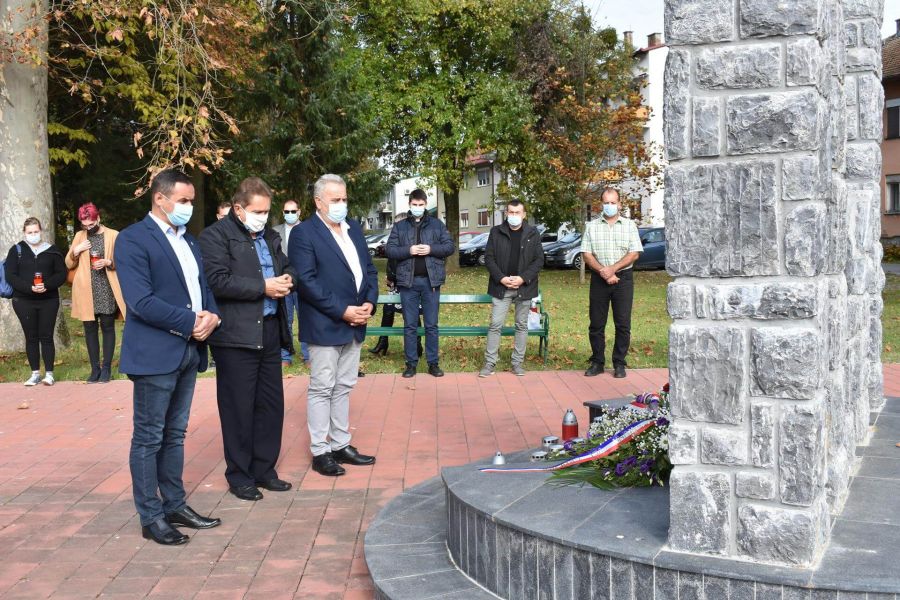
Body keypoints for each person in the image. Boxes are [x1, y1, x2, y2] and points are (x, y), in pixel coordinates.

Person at [115, 168, 222, 545]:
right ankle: (151, 516)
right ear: (160, 199)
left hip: (189, 351)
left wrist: (212, 316)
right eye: (183, 201)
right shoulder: (132, 240)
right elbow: (140, 302)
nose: (189, 207)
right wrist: (190, 321)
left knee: (175, 435)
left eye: (191, 201)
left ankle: (175, 504)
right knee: (149, 437)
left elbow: (201, 287)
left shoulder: (189, 242)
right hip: (155, 354)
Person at [199, 178, 295, 501]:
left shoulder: (270, 235)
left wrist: (287, 279)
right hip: (235, 335)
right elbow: (219, 281)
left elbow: (285, 265)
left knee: (270, 405)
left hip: (269, 329)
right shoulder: (215, 236)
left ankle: (264, 470)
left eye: (267, 211)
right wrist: (263, 287)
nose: (264, 217)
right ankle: (239, 475)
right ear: (238, 209)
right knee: (238, 407)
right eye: (258, 211)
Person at [289, 174, 378, 477]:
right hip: (326, 323)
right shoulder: (304, 233)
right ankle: (320, 451)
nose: (342, 204)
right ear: (318, 202)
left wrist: (369, 303)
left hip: (356, 321)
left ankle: (341, 443)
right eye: (335, 200)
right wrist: (343, 311)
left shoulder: (353, 229)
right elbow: (307, 282)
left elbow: (369, 271)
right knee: (322, 387)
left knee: (344, 386)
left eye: (344, 199)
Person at [384, 189, 454, 378]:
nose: (417, 208)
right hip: (408, 283)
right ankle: (411, 364)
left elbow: (449, 247)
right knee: (410, 325)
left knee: (431, 325)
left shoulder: (437, 225)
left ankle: (433, 363)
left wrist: (431, 249)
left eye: (420, 205)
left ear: (425, 204)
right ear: (409, 205)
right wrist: (410, 250)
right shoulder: (400, 227)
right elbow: (390, 250)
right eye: (414, 205)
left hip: (431, 282)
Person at [581, 187, 643, 379]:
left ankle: (619, 363)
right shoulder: (591, 226)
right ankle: (598, 362)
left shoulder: (629, 225)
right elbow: (586, 253)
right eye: (606, 203)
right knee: (596, 324)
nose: (609, 206)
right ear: (601, 204)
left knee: (623, 324)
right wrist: (604, 271)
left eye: (613, 202)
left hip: (623, 279)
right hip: (599, 280)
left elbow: (634, 253)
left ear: (619, 204)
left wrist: (613, 269)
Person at [479, 200, 544, 377]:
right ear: (506, 213)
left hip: (524, 287)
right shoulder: (496, 232)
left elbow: (539, 260)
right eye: (511, 212)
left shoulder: (532, 233)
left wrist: (522, 278)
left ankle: (517, 363)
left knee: (521, 325)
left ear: (524, 215)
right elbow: (489, 258)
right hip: (502, 287)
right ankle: (490, 362)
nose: (514, 216)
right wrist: (501, 278)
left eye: (517, 213)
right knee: (495, 324)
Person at [65, 203, 126, 383]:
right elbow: (69, 264)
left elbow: (124, 260)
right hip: (86, 290)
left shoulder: (113, 235)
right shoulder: (79, 236)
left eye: (91, 224)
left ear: (98, 218)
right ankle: (94, 369)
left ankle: (106, 369)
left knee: (107, 327)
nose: (88, 228)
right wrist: (76, 251)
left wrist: (108, 262)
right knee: (89, 329)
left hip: (106, 288)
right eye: (84, 225)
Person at [4, 218, 66, 386]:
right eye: (30, 232)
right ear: (25, 233)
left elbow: (61, 274)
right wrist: (29, 288)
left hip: (48, 299)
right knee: (31, 337)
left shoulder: (52, 251)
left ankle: (50, 374)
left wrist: (47, 285)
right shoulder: (16, 250)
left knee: (46, 336)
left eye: (36, 232)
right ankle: (35, 373)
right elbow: (10, 275)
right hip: (23, 300)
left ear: (41, 231)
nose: (33, 235)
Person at [368, 214, 423, 358]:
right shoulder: (395, 242)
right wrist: (389, 276)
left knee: (412, 314)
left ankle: (417, 345)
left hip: (409, 285)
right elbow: (391, 263)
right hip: (395, 285)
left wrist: (394, 277)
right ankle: (383, 341)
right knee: (388, 309)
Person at [272, 199, 310, 367]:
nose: (289, 214)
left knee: (305, 319)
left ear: (299, 212)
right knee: (285, 319)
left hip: (303, 283)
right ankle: (285, 355)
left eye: (292, 211)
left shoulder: (308, 230)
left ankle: (308, 355)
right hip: (283, 282)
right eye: (286, 212)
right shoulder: (275, 232)